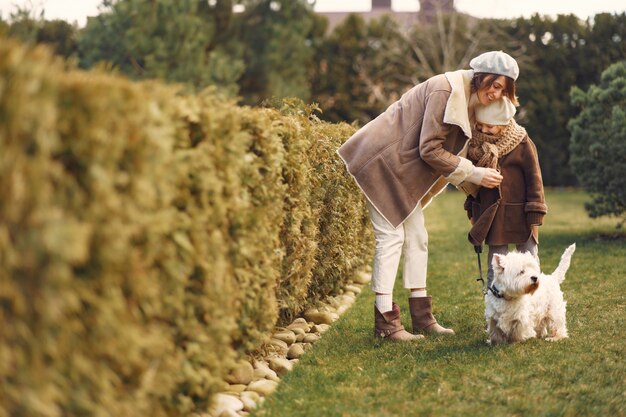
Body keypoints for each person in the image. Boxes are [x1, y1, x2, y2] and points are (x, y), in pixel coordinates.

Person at [337, 51, 519, 341]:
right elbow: (430, 149)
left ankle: (421, 317)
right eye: (493, 85)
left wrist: (477, 183)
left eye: (503, 90)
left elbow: (453, 153)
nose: (496, 94)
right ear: (480, 77)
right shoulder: (445, 90)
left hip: (399, 168)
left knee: (418, 237)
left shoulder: (467, 99)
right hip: (381, 160)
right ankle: (385, 322)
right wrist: (474, 174)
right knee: (391, 237)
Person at [463, 97, 547, 287]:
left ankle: (535, 300)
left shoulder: (523, 143)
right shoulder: (476, 147)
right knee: (497, 263)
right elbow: (472, 183)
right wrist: (472, 208)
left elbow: (535, 178)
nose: (483, 130)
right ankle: (494, 302)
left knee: (529, 259)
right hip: (493, 214)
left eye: (490, 127)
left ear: (503, 124)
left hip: (521, 213)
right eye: (480, 125)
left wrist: (535, 209)